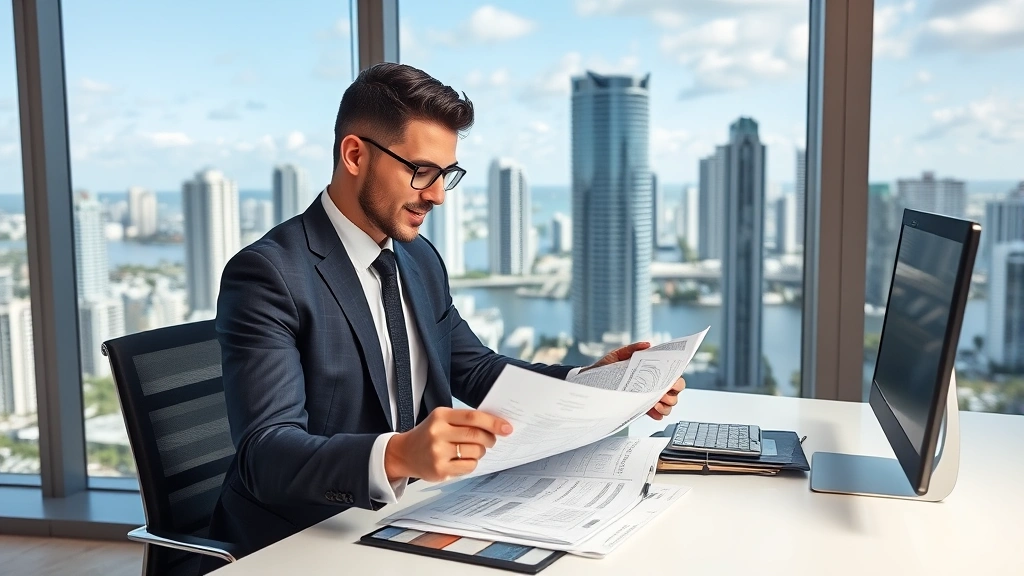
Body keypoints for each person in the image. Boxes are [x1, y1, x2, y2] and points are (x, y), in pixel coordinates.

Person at [206, 62, 685, 561]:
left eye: (445, 175)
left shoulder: (416, 259)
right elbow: (265, 453)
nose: (436, 195)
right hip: (299, 539)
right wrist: (399, 454)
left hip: (413, 517)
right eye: (421, 171)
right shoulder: (269, 273)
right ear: (354, 154)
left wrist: (595, 381)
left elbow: (477, 370)